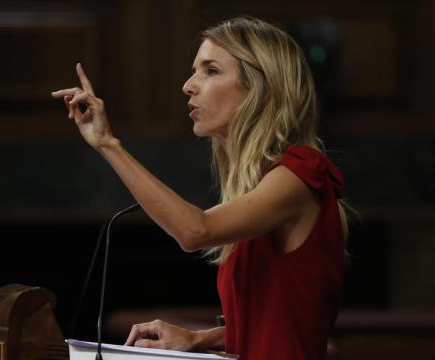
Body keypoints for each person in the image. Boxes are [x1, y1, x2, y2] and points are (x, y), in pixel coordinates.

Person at [52, 16, 349, 360]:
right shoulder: (264, 184)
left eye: (210, 71)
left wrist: (108, 143)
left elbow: (195, 231)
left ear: (261, 87)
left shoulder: (299, 174)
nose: (189, 85)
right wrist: (198, 340)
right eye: (195, 70)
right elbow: (278, 322)